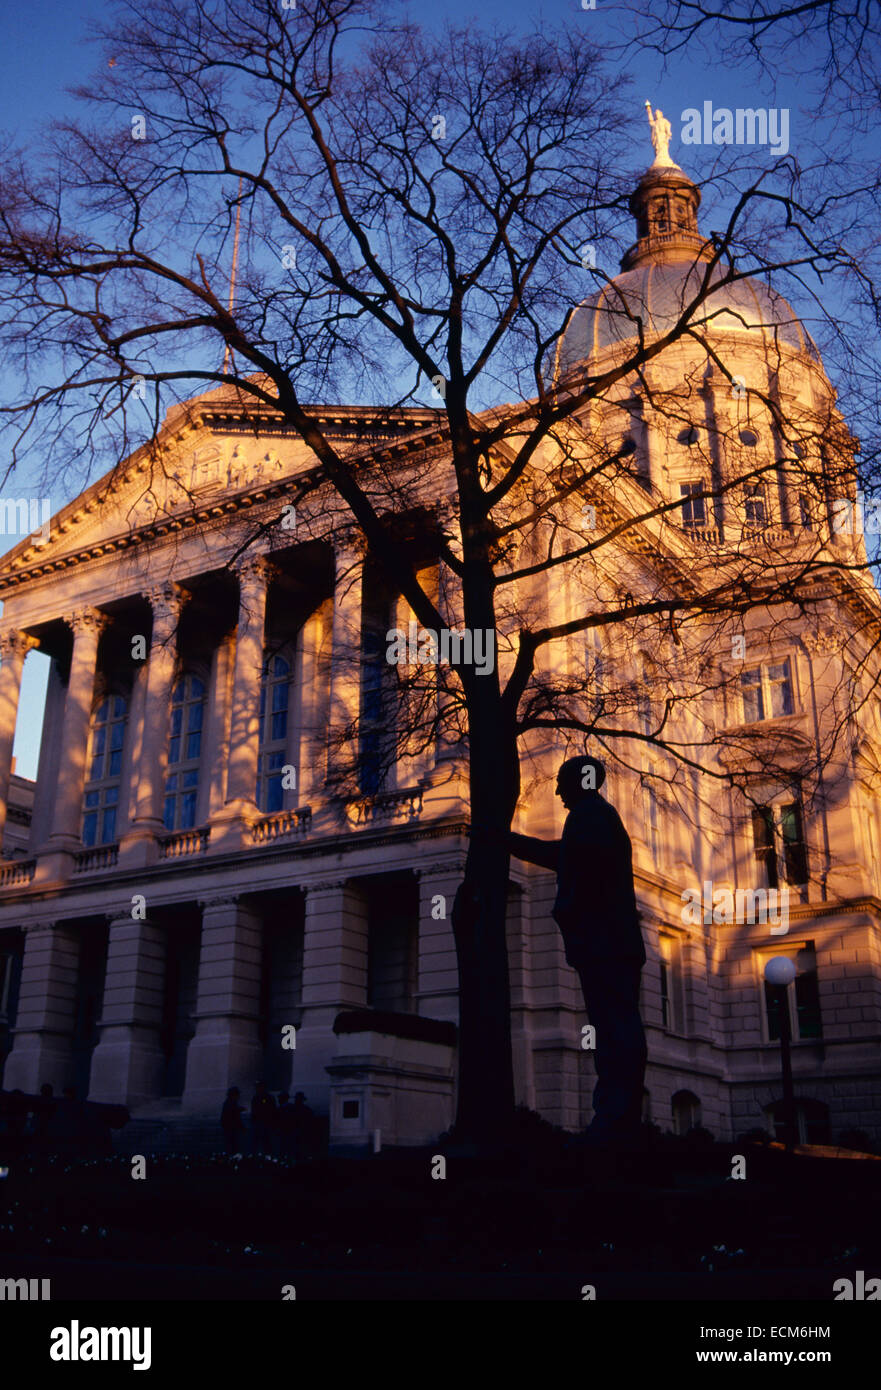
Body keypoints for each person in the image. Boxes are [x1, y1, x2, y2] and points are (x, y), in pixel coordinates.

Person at [508, 756, 647, 1146]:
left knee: (615, 1029)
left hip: (605, 942)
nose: (557, 793)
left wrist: (505, 840)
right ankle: (615, 1117)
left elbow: (565, 858)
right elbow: (568, 857)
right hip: (607, 942)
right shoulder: (595, 816)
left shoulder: (590, 815)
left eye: (562, 783)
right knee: (614, 1027)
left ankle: (615, 1119)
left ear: (582, 782)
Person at [250, 1080, 277, 1154]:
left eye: (258, 1087)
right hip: (258, 1123)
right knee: (256, 1142)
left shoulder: (268, 1097)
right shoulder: (256, 1097)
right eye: (257, 1087)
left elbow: (272, 1110)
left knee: (265, 1141)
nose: (257, 1088)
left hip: (265, 1123)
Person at [220, 1086, 245, 1154]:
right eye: (237, 1095)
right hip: (231, 1128)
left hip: (230, 1128)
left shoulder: (229, 1103)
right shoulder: (230, 1103)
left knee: (231, 1145)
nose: (238, 1097)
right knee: (232, 1145)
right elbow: (233, 1115)